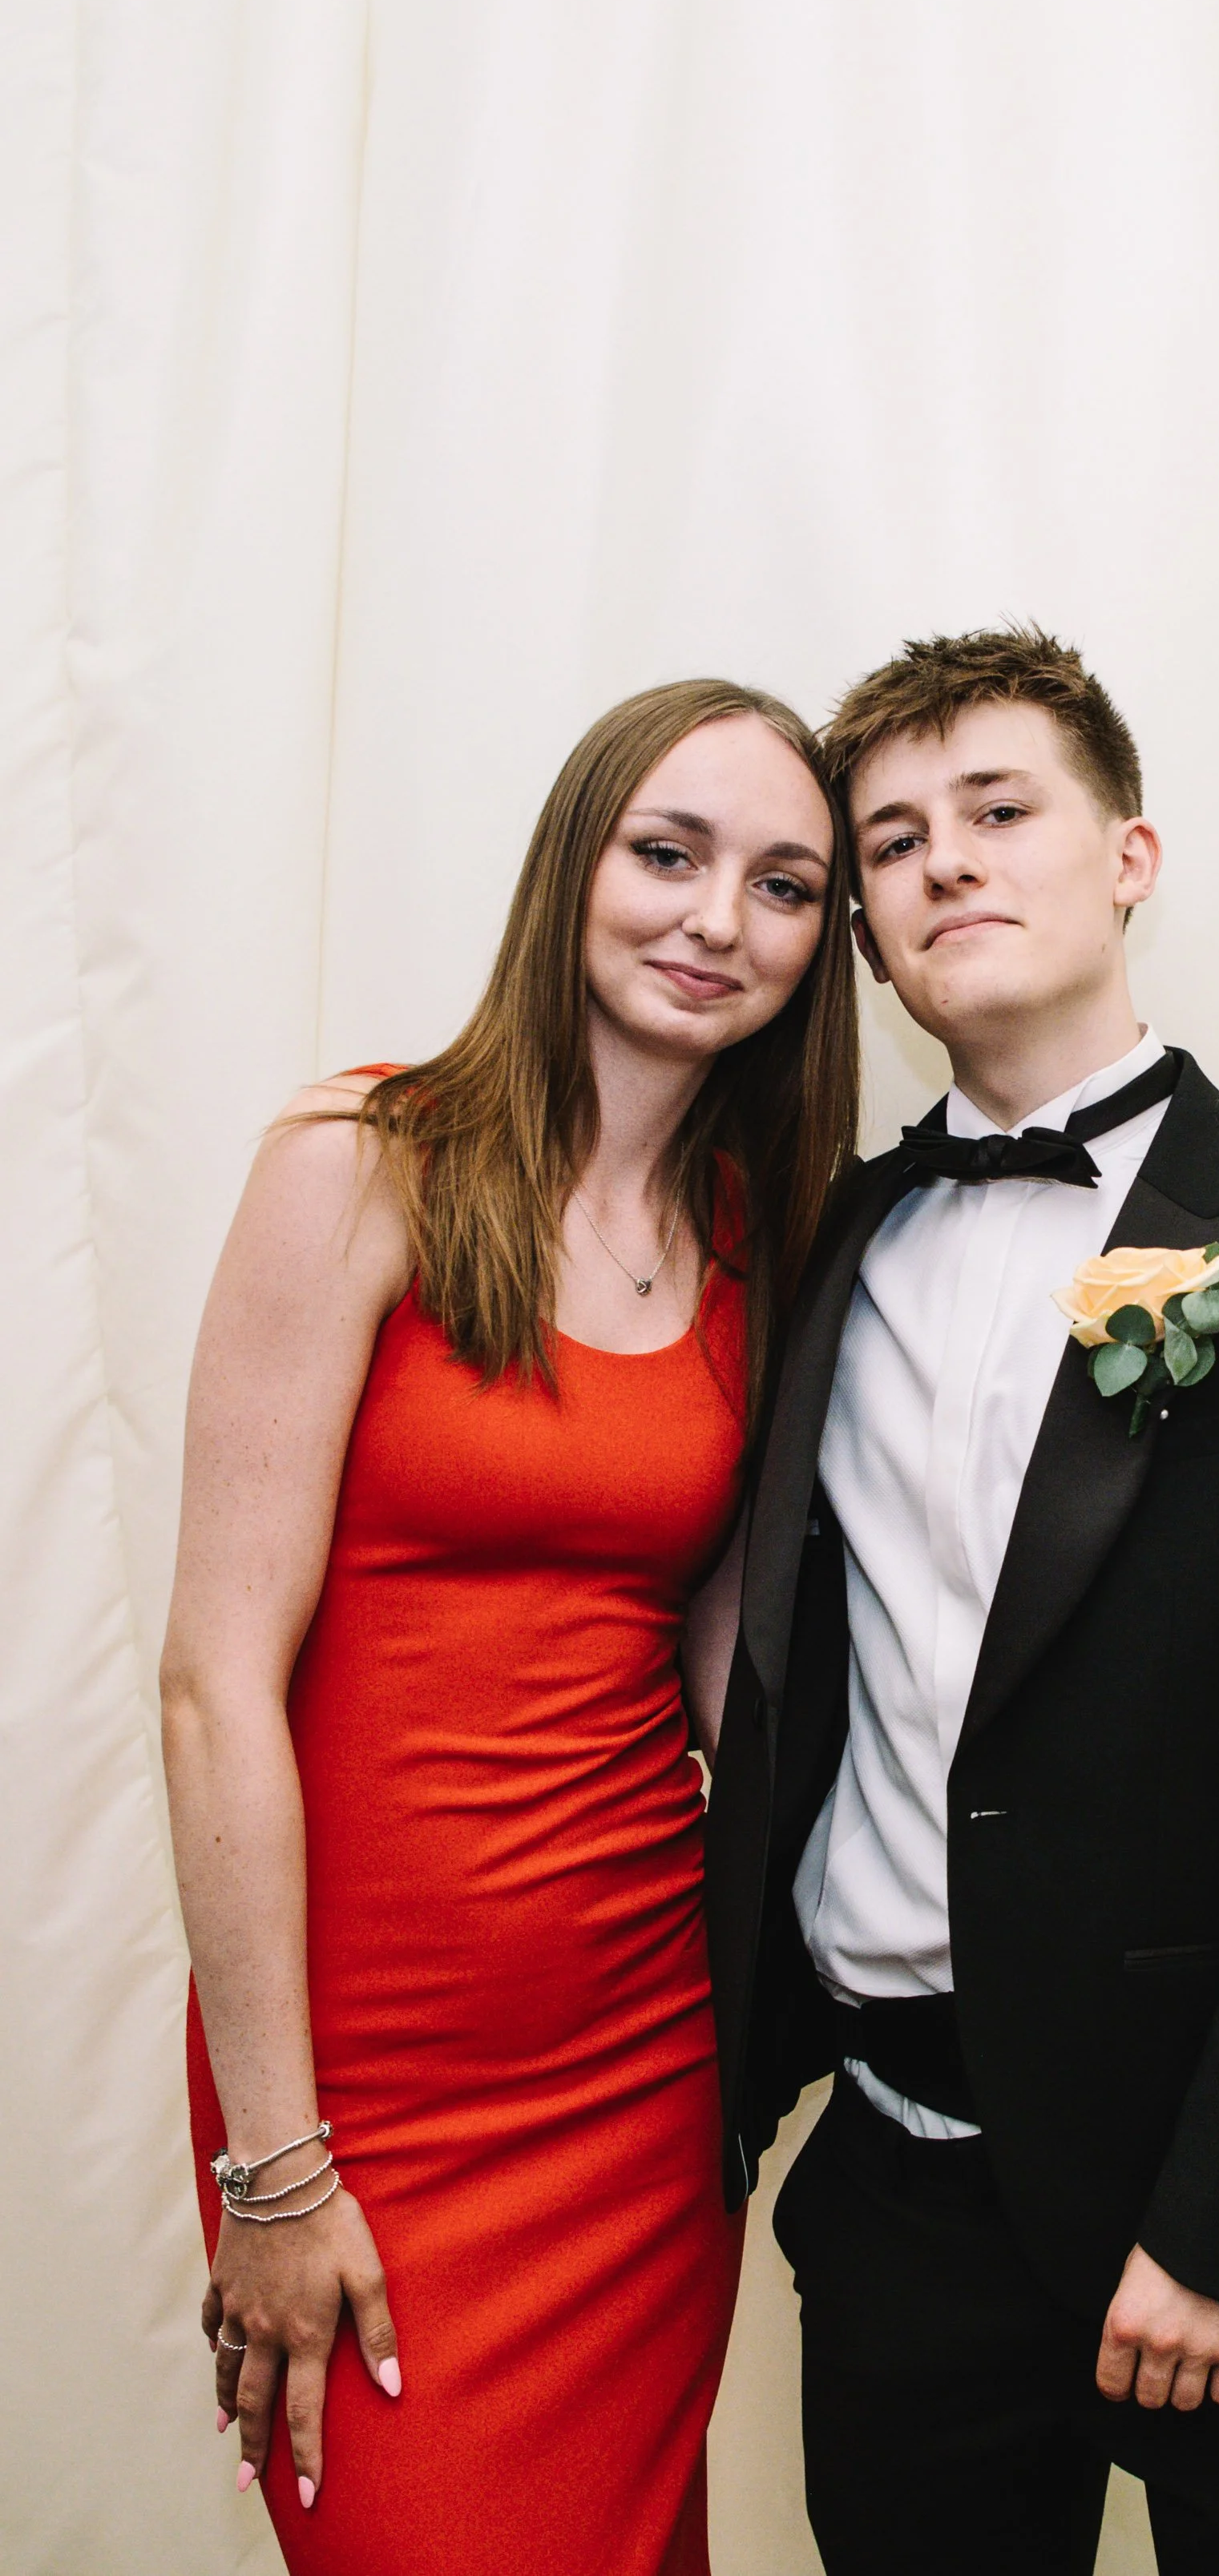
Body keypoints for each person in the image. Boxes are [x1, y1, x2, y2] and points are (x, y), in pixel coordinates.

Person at [704, 626, 1219, 2575]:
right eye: (892, 841)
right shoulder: (815, 1251)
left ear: (1126, 857)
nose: (947, 862)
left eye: (998, 809)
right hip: (901, 2201)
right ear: (865, 933)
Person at [161, 679, 858, 2576]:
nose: (716, 920)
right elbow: (214, 1684)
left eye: (783, 886)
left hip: (636, 2071)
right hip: (359, 2081)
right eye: (668, 854)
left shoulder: (752, 1231)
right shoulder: (361, 1159)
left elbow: (737, 1686)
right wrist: (274, 2164)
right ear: (573, 864)